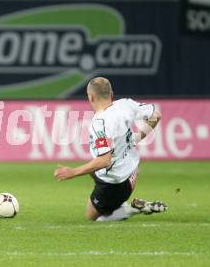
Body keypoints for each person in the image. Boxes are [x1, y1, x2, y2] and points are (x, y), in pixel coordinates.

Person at [54, 77, 167, 222]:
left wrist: (73, 172)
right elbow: (156, 115)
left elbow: (104, 160)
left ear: (91, 97)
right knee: (94, 165)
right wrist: (137, 137)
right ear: (111, 94)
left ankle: (131, 208)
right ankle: (115, 202)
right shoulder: (125, 104)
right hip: (132, 169)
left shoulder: (99, 123)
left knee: (93, 218)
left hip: (116, 183)